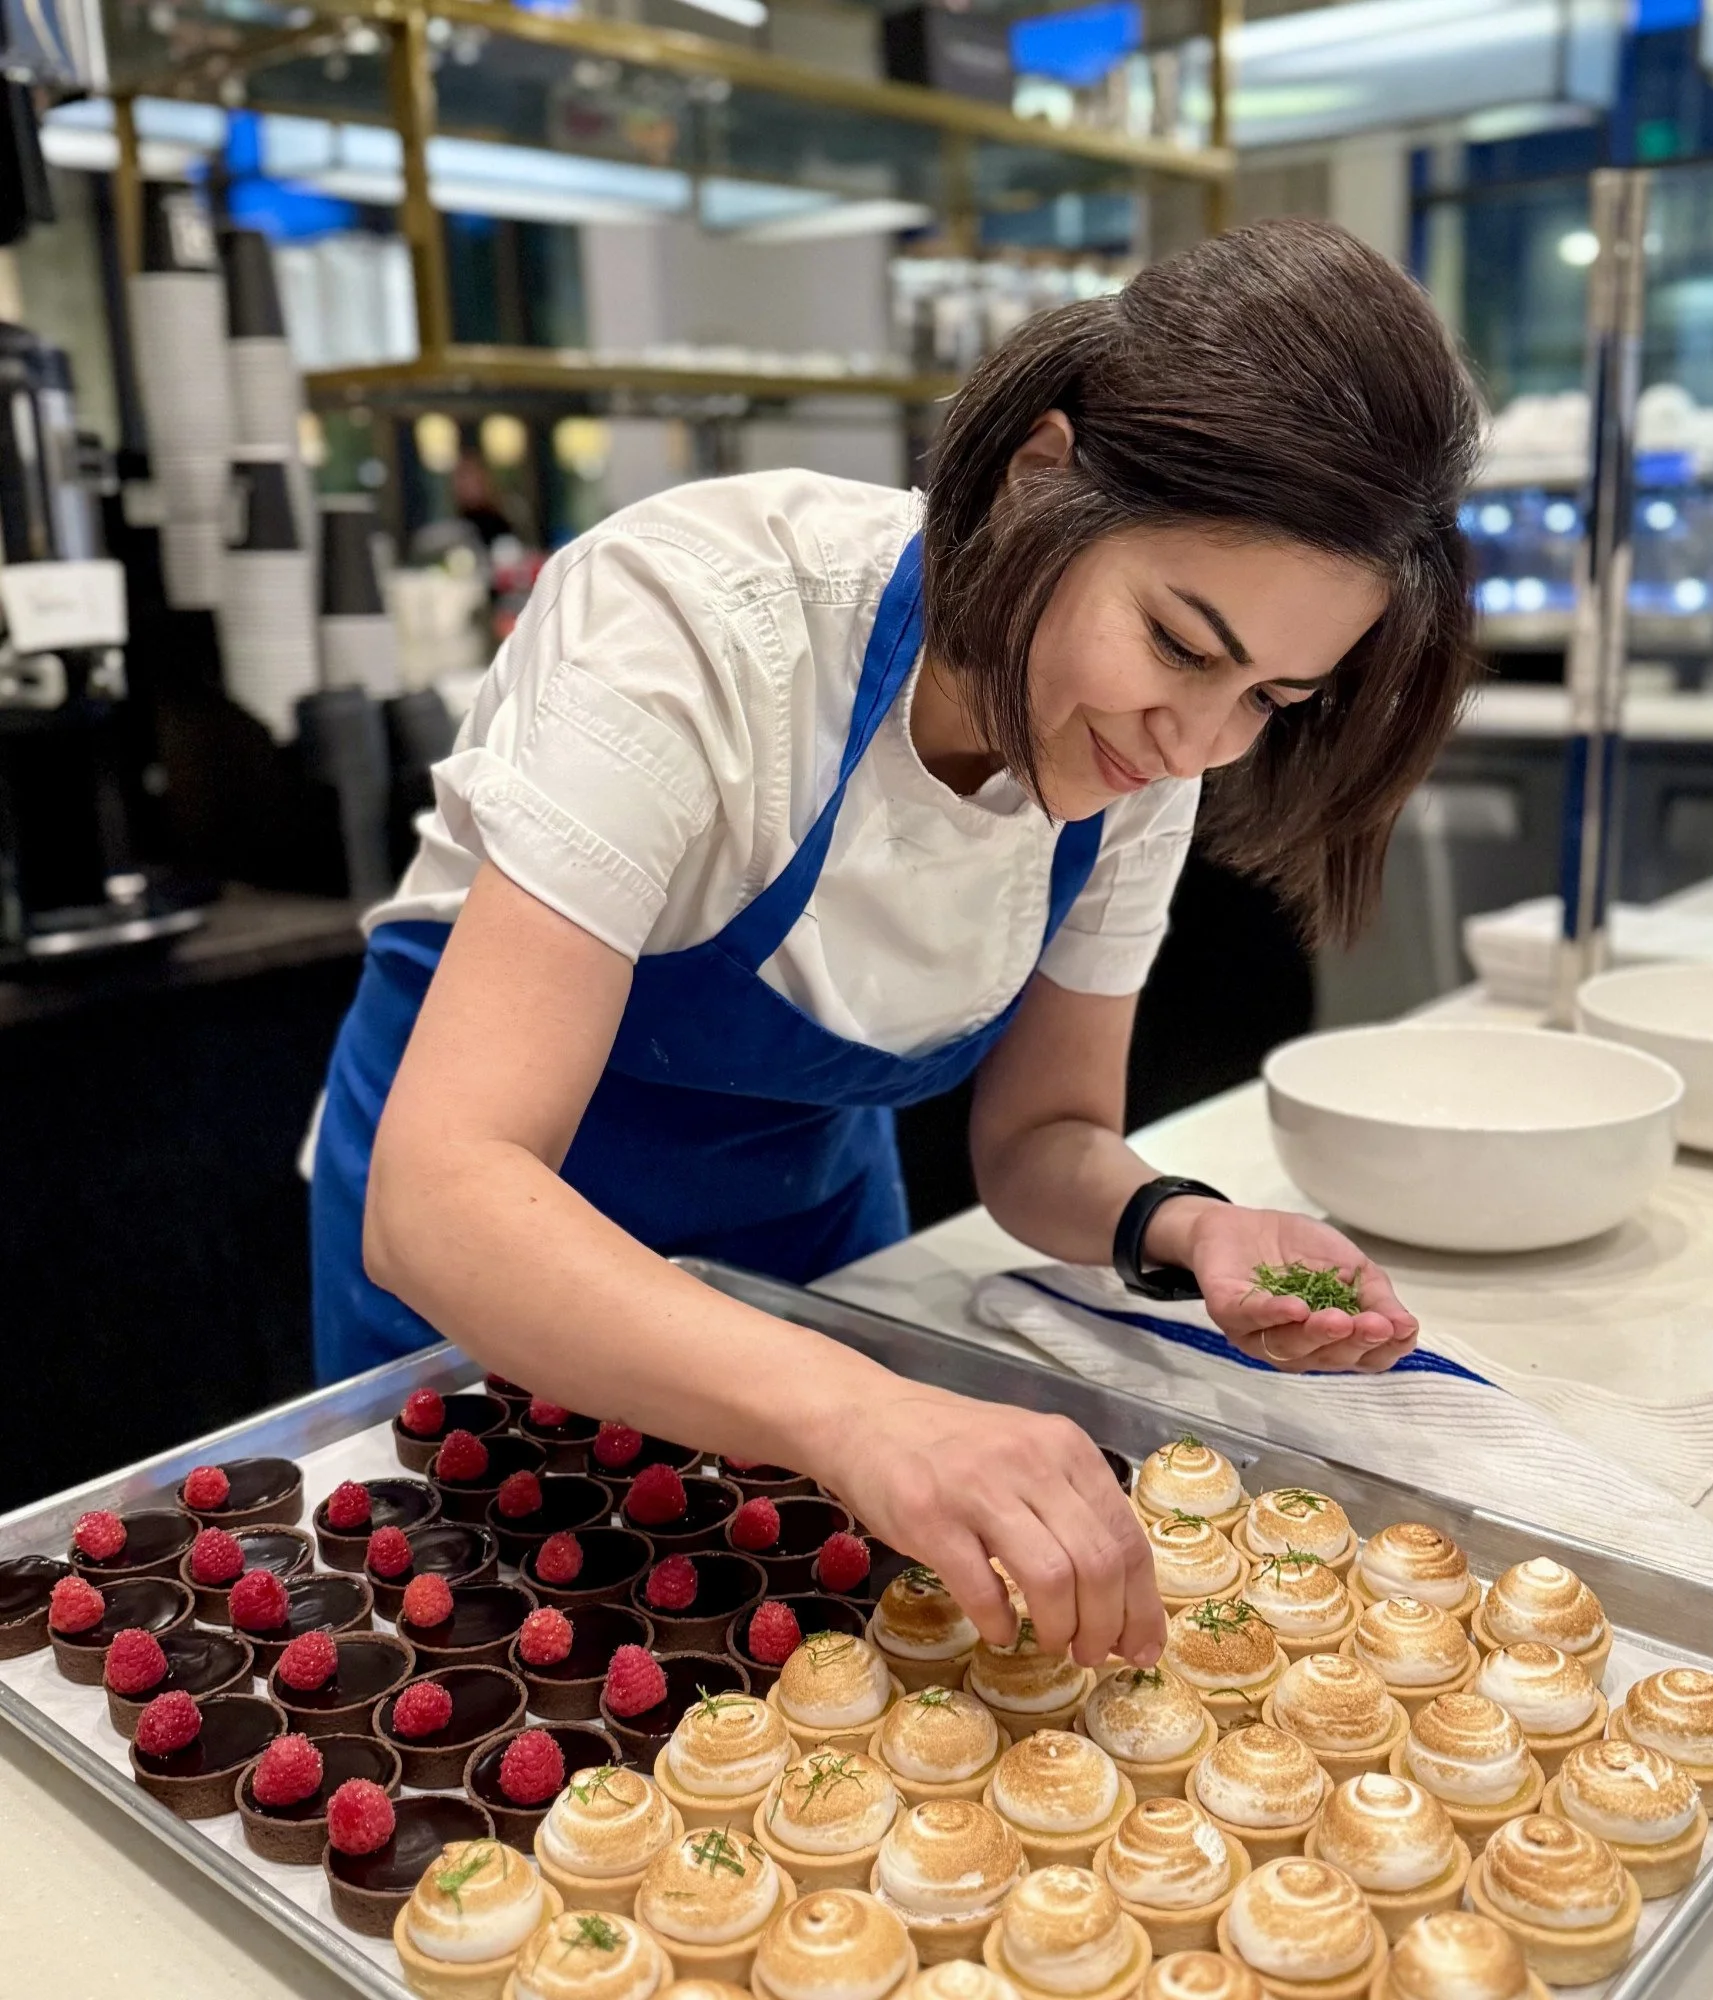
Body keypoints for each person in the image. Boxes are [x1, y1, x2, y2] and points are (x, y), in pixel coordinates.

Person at [310, 218, 1482, 1672]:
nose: (1200, 738)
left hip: (805, 1249)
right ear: (1037, 475)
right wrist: (865, 1413)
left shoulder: (1136, 760)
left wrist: (1187, 1227)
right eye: (1181, 643)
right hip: (497, 1271)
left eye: (1275, 696)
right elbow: (445, 1199)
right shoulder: (699, 622)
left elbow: (1044, 1135)